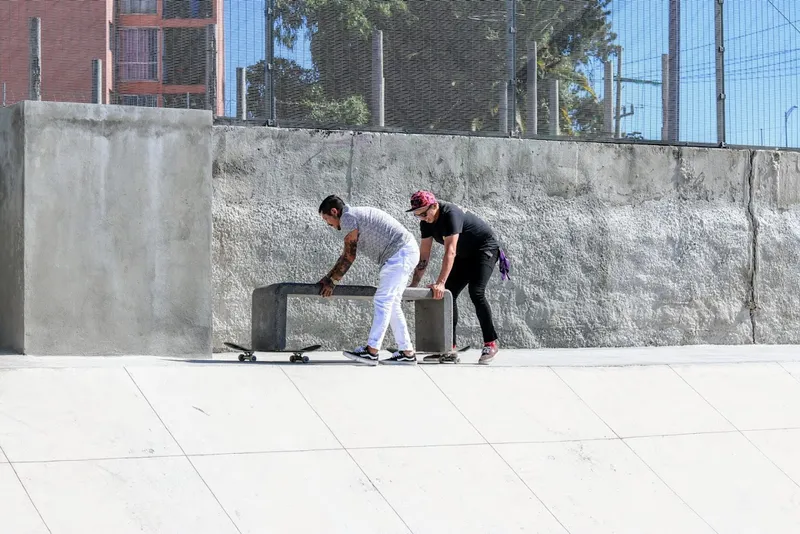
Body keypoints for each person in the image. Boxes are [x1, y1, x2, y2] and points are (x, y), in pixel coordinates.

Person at [406, 190, 508, 364]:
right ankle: (449, 348)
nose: (423, 218)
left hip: (485, 250)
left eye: (424, 213)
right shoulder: (426, 223)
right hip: (465, 254)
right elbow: (424, 256)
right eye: (418, 215)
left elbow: (450, 251)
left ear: (434, 205)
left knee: (476, 292)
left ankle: (490, 342)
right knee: (448, 294)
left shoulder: (451, 214)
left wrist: (440, 282)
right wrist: (414, 284)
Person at [318, 195, 421, 364]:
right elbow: (345, 254)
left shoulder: (348, 218)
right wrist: (327, 278)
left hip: (399, 254)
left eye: (327, 219)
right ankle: (407, 352)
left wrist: (332, 282)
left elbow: (349, 256)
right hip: (404, 252)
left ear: (334, 212)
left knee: (382, 301)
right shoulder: (352, 215)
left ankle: (372, 351)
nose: (328, 224)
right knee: (392, 303)